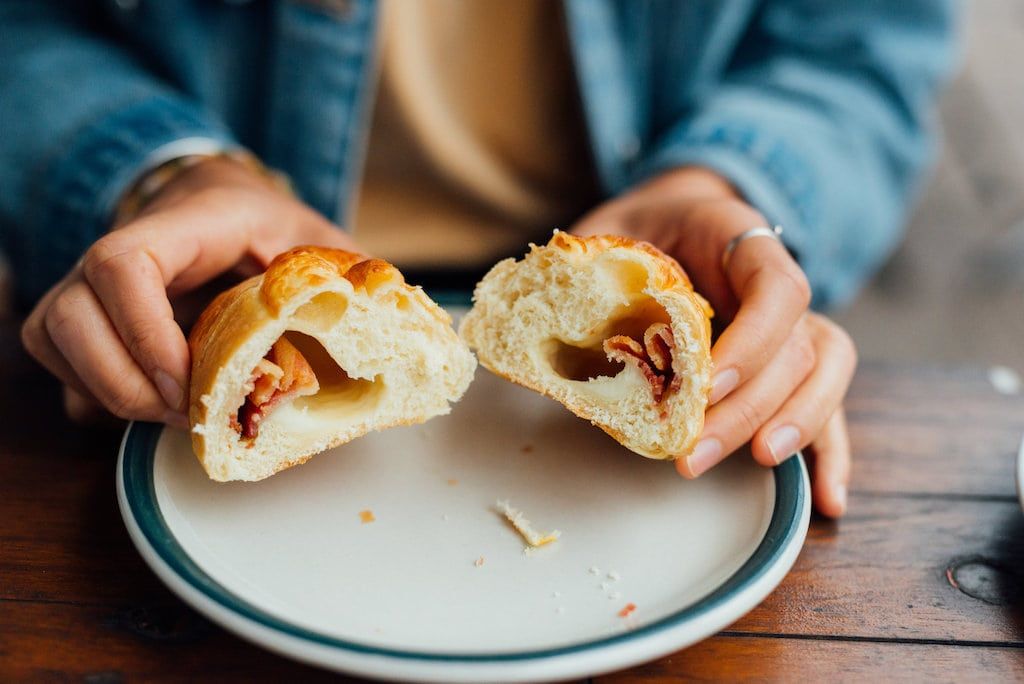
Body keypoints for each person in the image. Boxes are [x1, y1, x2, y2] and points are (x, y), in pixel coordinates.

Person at [0, 1, 959, 518]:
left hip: (657, 237)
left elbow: (862, 45)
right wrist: (161, 170)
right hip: (234, 258)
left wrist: (729, 183)